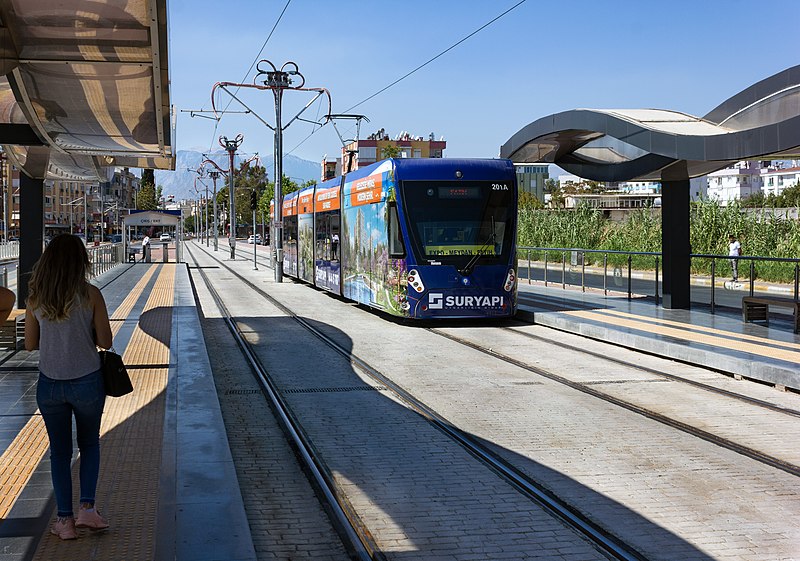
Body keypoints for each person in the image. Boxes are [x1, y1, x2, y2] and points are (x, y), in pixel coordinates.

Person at [25, 234, 113, 540]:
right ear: (81, 261)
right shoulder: (91, 294)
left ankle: (64, 522)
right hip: (88, 380)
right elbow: (106, 341)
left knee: (59, 453)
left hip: (50, 385)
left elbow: (29, 343)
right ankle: (87, 509)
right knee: (88, 444)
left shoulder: (35, 298)